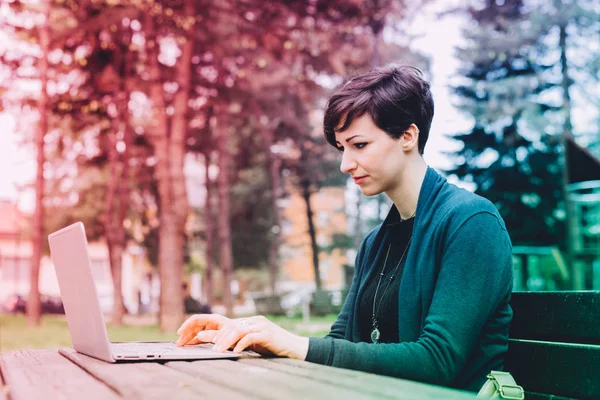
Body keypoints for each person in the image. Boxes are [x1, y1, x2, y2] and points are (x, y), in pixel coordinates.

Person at [176, 65, 513, 392]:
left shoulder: (471, 223)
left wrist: (295, 344)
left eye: (359, 145)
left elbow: (437, 361)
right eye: (342, 148)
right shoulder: (376, 243)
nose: (345, 164)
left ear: (408, 136)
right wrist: (257, 335)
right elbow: (340, 342)